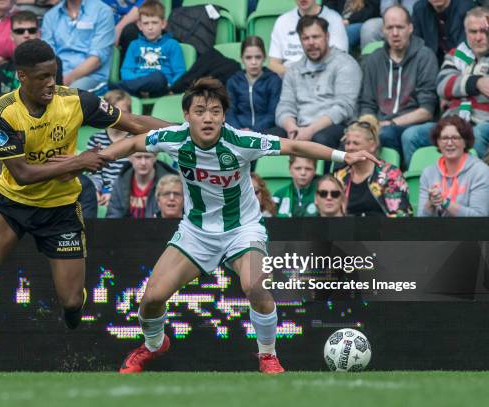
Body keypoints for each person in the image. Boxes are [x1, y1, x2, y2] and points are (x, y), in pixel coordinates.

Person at [94, 77, 378, 374]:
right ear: (187, 115)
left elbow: (293, 144)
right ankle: (154, 344)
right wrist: (101, 157)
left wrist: (345, 156)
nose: (208, 118)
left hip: (242, 229)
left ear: (224, 116)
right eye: (200, 111)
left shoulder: (241, 141)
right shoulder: (173, 138)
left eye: (215, 111)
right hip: (196, 232)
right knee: (151, 298)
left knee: (255, 285)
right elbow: (136, 141)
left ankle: (267, 355)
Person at [0, 38, 171, 373]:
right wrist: (76, 163)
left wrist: (183, 133)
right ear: (22, 76)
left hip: (61, 210)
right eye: (42, 77)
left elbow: (131, 123)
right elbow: (23, 174)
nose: (51, 84)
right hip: (12, 205)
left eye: (54, 75)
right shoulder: (1, 112)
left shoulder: (75, 101)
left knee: (72, 303)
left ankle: (73, 309)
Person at [403, 6, 489, 163]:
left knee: (480, 132)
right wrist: (477, 82)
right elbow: (443, 86)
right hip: (452, 123)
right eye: (473, 32)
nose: (478, 37)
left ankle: (480, 183)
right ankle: (422, 184)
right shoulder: (456, 55)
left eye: (483, 31)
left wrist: (459, 86)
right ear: (465, 32)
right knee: (411, 136)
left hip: (487, 122)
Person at [358, 5, 438, 166]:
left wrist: (392, 123)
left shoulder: (425, 56)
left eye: (400, 27)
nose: (395, 33)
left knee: (389, 134)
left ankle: (397, 179)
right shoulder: (374, 59)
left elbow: (427, 111)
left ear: (410, 28)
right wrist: (365, 127)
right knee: (351, 138)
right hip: (381, 124)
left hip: (414, 124)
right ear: (383, 31)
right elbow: (367, 104)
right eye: (390, 28)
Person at [275, 16, 361, 152]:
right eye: (305, 38)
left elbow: (344, 108)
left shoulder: (345, 64)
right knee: (268, 139)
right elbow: (285, 106)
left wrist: (310, 130)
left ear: (327, 36)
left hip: (335, 126)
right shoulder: (293, 70)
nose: (311, 42)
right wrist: (291, 128)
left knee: (321, 139)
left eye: (316, 37)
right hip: (299, 127)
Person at [0, 10, 63, 111]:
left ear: (38, 33)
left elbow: (53, 101)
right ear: (11, 35)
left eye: (32, 30)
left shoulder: (54, 63)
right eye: (20, 31)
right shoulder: (1, 70)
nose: (26, 35)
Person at [334, 115, 412, 217]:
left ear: (372, 145)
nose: (350, 148)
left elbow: (401, 214)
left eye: (356, 143)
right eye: (347, 143)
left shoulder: (389, 174)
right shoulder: (340, 176)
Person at [418, 115, 489, 217]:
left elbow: (479, 217)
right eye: (444, 138)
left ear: (465, 142)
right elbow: (421, 218)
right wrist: (430, 204)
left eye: (455, 138)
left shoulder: (481, 171)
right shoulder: (428, 173)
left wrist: (445, 203)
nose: (449, 143)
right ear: (437, 143)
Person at [110, 0, 184, 98]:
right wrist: (141, 83)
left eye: (154, 23)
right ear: (140, 26)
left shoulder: (172, 44)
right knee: (133, 81)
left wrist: (172, 86)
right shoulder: (134, 45)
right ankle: (130, 88)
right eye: (146, 23)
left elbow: (180, 72)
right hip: (137, 90)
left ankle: (111, 87)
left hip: (161, 87)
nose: (150, 27)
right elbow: (126, 71)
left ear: (163, 24)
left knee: (158, 76)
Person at [41, 0, 114, 89]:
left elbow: (96, 59)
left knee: (68, 96)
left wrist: (64, 81)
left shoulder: (103, 11)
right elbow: (47, 55)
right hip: (56, 75)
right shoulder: (50, 16)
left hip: (90, 76)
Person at [269, 0, 348, 76]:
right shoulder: (282, 21)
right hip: (289, 78)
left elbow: (339, 61)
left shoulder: (334, 19)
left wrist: (308, 77)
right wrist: (296, 76)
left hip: (323, 77)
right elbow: (273, 64)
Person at [226, 36, 282, 134]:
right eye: (248, 57)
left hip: (266, 131)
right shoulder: (234, 81)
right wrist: (239, 130)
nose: (253, 62)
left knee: (281, 132)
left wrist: (253, 131)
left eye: (258, 57)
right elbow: (229, 112)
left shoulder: (274, 80)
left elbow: (273, 113)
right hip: (238, 131)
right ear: (242, 59)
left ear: (264, 57)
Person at [87, 90, 132, 206]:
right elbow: (93, 173)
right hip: (102, 194)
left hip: (127, 193)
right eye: (115, 112)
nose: (119, 118)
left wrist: (115, 194)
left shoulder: (134, 140)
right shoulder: (96, 140)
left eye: (124, 112)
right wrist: (95, 191)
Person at [106, 151, 176, 218]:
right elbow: (113, 216)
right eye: (138, 157)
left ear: (155, 157)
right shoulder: (121, 181)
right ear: (130, 157)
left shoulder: (171, 183)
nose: (143, 162)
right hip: (127, 229)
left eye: (147, 157)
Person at [412, 0, 474, 64]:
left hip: (462, 62)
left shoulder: (466, 8)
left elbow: (465, 48)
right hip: (432, 65)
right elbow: (416, 45)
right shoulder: (419, 9)